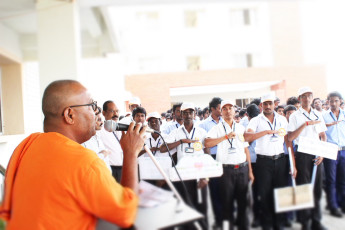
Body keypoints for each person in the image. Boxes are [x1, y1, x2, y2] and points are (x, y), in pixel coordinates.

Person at [0, 80, 145, 229]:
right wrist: (130, 153)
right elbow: (126, 214)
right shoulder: (84, 161)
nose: (96, 112)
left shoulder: (26, 146)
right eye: (91, 106)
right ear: (69, 114)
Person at [245, 92, 295, 230]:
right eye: (265, 104)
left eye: (270, 103)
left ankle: (279, 224)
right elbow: (247, 137)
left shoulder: (282, 119)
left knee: (280, 193)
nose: (268, 106)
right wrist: (266, 132)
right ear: (261, 105)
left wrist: (292, 163)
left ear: (275, 104)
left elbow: (288, 141)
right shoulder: (255, 120)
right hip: (263, 163)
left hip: (280, 160)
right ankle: (267, 224)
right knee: (264, 194)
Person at [205, 100, 254, 230]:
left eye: (230, 108)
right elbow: (207, 143)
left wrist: (250, 171)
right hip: (226, 171)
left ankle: (244, 227)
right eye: (224, 109)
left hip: (242, 169)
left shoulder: (240, 127)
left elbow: (246, 149)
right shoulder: (216, 128)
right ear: (221, 112)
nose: (227, 111)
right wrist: (225, 137)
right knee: (227, 203)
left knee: (243, 202)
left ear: (234, 111)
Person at [160, 102, 209, 230]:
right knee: (186, 206)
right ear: (181, 114)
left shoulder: (201, 132)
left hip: (199, 175)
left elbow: (207, 154)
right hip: (183, 175)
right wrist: (181, 141)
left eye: (190, 112)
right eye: (185, 113)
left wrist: (206, 176)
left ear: (195, 114)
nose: (188, 115)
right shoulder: (176, 132)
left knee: (201, 207)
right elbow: (162, 148)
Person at [287, 86, 327, 230]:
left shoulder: (318, 114)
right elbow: (290, 138)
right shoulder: (295, 116)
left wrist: (322, 153)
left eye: (310, 96)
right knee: (304, 189)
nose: (307, 99)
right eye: (304, 96)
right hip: (302, 155)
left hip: (316, 154)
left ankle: (316, 221)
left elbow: (323, 135)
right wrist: (305, 125)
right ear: (300, 99)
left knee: (317, 189)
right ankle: (305, 222)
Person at [199, 97, 223, 229]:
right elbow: (203, 146)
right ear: (212, 109)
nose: (222, 110)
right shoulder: (203, 125)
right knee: (215, 190)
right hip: (212, 157)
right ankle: (219, 219)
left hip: (226, 158)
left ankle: (228, 217)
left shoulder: (226, 122)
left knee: (227, 189)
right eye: (220, 108)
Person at [322, 91, 345, 217]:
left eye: (336, 101)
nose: (333, 103)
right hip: (330, 150)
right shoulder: (323, 116)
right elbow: (319, 131)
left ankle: (342, 203)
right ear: (328, 102)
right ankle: (333, 206)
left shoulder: (344, 115)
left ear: (340, 101)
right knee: (331, 180)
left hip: (344, 150)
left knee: (343, 179)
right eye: (331, 101)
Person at [99, 100, 124, 182]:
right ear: (103, 113)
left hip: (123, 168)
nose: (115, 114)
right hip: (110, 169)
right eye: (112, 111)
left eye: (117, 111)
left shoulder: (121, 128)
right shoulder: (99, 130)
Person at [245, 104, 261, 228]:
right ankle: (257, 216)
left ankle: (256, 216)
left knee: (255, 191)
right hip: (257, 161)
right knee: (259, 190)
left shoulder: (246, 125)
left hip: (254, 161)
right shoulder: (247, 126)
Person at [82, 107, 111, 171]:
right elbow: (87, 163)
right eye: (99, 120)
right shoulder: (83, 140)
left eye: (102, 120)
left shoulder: (97, 136)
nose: (102, 123)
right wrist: (102, 154)